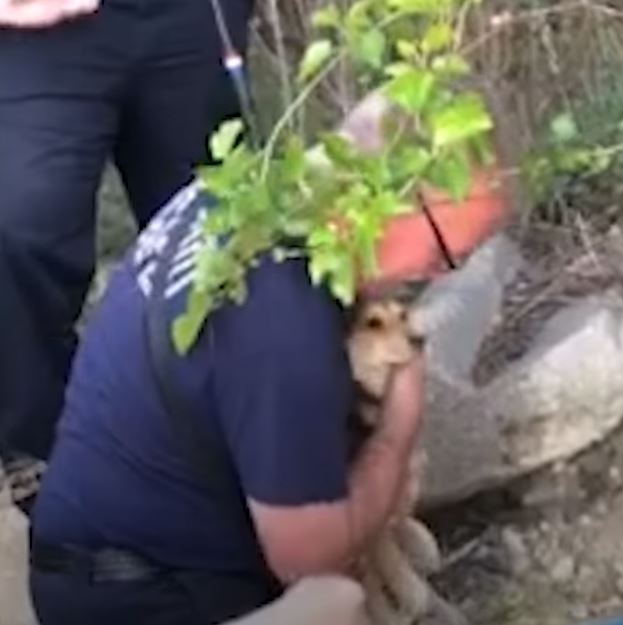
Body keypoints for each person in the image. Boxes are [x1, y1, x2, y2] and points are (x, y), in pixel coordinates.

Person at [26, 92, 506, 624]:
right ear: (375, 199)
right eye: (442, 252)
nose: (439, 273)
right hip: (136, 601)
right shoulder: (281, 319)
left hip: (96, 562)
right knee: (333, 603)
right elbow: (310, 559)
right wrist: (400, 422)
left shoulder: (250, 192)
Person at [0, 0, 255, 511]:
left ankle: (238, 460)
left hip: (193, 18)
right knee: (19, 229)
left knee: (222, 239)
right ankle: (43, 465)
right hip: (42, 32)